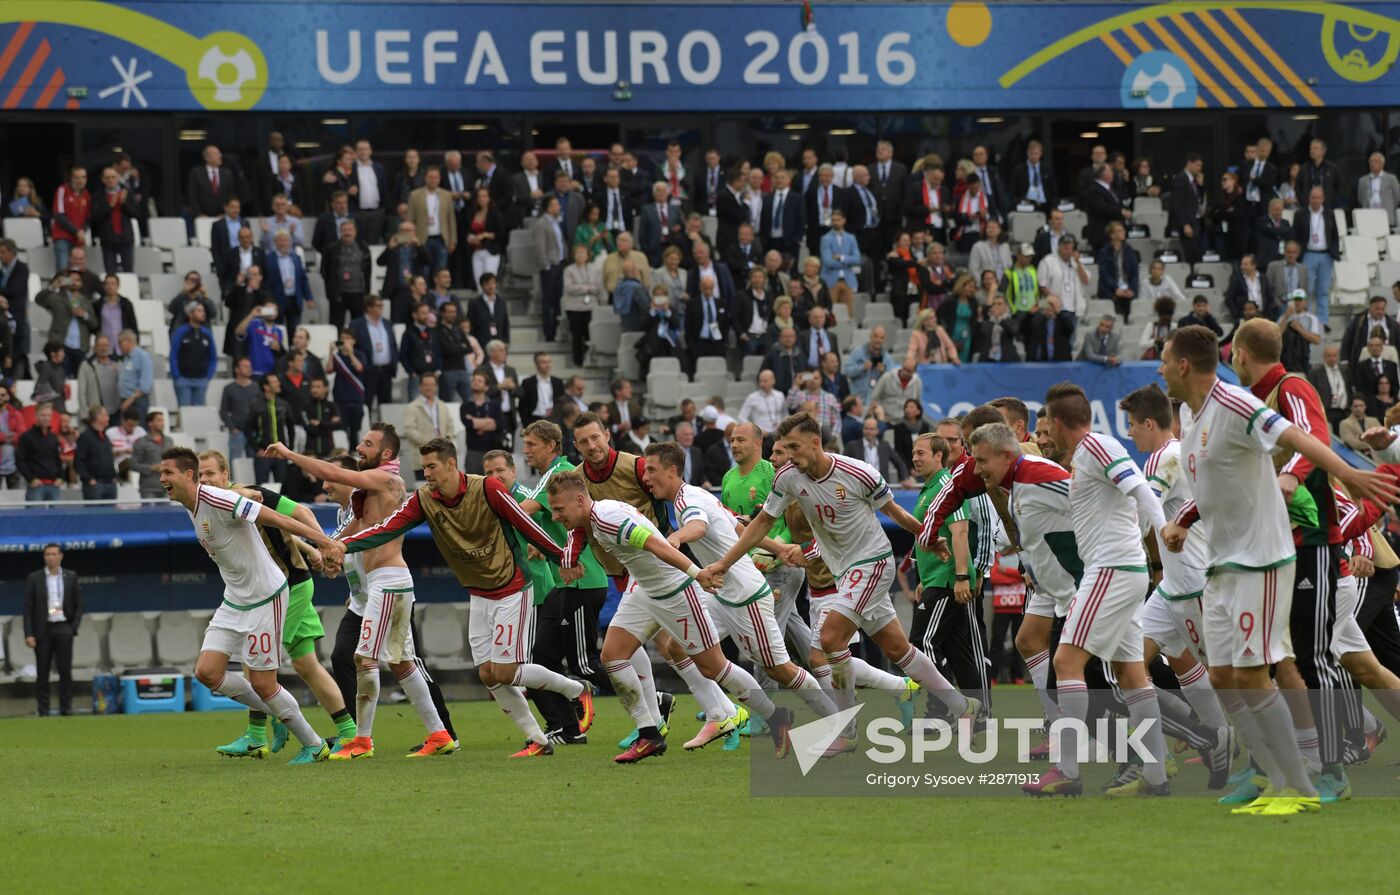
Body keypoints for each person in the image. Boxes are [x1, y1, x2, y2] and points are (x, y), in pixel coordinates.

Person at [1161, 327, 1398, 813]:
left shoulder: (1287, 388)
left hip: (1307, 541)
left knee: (1318, 660)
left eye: (1164, 359)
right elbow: (1221, 481)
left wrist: (1311, 474)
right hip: (1258, 548)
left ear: (1240, 354)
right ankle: (1278, 767)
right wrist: (1184, 518)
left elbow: (1312, 436)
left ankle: (1327, 767)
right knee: (1278, 664)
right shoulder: (1221, 406)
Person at [700, 412, 979, 757]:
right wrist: (724, 563)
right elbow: (760, 524)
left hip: (873, 562)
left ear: (815, 443)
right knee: (897, 650)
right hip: (843, 571)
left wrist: (927, 535)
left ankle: (846, 731)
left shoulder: (858, 472)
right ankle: (962, 705)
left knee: (831, 640)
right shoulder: (788, 477)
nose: (787, 455)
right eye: (783, 447)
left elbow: (894, 512)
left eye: (794, 447)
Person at [329, 435, 592, 758]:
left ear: (451, 464)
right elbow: (388, 527)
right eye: (423, 467)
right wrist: (346, 543)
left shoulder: (488, 489)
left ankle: (576, 689)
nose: (426, 473)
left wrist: (561, 558)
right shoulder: (425, 498)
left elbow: (524, 524)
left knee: (506, 671)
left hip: (512, 587)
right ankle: (537, 740)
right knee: (487, 674)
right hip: (478, 592)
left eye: (432, 466)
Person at [159, 447, 342, 768]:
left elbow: (275, 517)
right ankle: (281, 714)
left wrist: (323, 541)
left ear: (188, 475)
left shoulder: (217, 499)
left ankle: (313, 744)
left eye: (167, 473)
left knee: (264, 682)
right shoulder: (191, 506)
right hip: (235, 599)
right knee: (207, 672)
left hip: (266, 596)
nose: (161, 479)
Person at [648, 441, 836, 747]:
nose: (646, 478)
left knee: (780, 669)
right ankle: (722, 714)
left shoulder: (687, 502)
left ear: (672, 471)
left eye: (652, 470)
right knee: (677, 645)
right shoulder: (696, 494)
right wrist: (780, 548)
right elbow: (738, 528)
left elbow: (696, 526)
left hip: (746, 595)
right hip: (721, 593)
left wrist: (677, 538)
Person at [24, 544, 82, 716]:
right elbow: (28, 608)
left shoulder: (71, 576)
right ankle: (43, 710)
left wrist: (73, 628)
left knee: (65, 671)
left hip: (64, 627)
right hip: (43, 630)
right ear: (44, 557)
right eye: (48, 554)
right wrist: (29, 633)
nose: (51, 557)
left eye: (54, 554)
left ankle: (66, 709)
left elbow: (79, 604)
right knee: (42, 673)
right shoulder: (34, 578)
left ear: (61, 556)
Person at [1293, 186, 1340, 328]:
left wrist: (1335, 251)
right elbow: (1295, 235)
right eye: (1313, 197)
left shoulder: (1329, 214)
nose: (1315, 200)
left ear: (1323, 199)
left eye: (1318, 198)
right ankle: (1305, 318)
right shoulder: (1300, 214)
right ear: (1309, 198)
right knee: (1307, 289)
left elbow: (1335, 235)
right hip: (1308, 254)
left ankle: (1322, 321)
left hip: (1326, 256)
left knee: (1323, 290)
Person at [169, 302, 217, 407]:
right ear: (190, 314)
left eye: (203, 311)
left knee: (199, 414)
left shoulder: (207, 333)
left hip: (202, 379)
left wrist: (209, 375)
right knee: (184, 412)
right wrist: (177, 375)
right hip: (183, 379)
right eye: (199, 311)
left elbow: (213, 356)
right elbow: (173, 355)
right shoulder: (180, 332)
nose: (203, 314)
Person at [1095, 220, 1140, 322]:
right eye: (1119, 231)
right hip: (1110, 290)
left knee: (1133, 306)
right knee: (1116, 309)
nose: (1123, 232)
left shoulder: (1129, 250)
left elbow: (1135, 272)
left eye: (1122, 230)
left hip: (1127, 288)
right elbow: (1104, 274)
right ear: (1112, 235)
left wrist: (1132, 289)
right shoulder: (1104, 252)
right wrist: (1116, 288)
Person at [51, 165, 90, 272]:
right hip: (62, 237)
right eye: (77, 177)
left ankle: (75, 289)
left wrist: (83, 230)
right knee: (63, 269)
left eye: (83, 177)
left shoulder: (86, 194)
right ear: (71, 178)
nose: (81, 180)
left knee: (77, 270)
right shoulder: (62, 190)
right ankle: (62, 289)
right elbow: (58, 215)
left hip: (78, 239)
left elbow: (88, 217)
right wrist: (77, 231)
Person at [74, 405, 117, 500]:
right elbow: (78, 461)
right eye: (106, 415)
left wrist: (113, 476)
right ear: (98, 417)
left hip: (109, 482)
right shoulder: (85, 437)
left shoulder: (105, 437)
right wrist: (88, 479)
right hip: (95, 485)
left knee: (112, 513)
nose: (108, 418)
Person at [844, 325, 889, 403]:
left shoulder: (887, 357)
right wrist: (862, 368)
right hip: (858, 400)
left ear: (884, 340)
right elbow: (847, 370)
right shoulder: (858, 352)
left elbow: (892, 379)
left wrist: (883, 372)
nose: (878, 340)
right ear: (870, 337)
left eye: (881, 338)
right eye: (876, 336)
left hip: (876, 401)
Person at [129, 410, 167, 498]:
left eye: (163, 420)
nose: (162, 423)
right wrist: (152, 468)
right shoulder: (141, 442)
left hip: (167, 487)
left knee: (166, 512)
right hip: (149, 488)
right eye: (159, 420)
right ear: (150, 423)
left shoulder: (169, 441)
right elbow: (133, 465)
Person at [1357, 151, 1400, 218]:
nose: (1372, 164)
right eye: (1371, 161)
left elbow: (1397, 197)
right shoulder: (1362, 180)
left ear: (1382, 164)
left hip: (1386, 215)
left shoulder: (1391, 179)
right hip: (1368, 215)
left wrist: (1389, 207)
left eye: (1376, 161)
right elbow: (1360, 198)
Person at [1137, 296, 1177, 360]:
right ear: (1159, 316)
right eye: (1164, 320)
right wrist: (1155, 341)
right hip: (1154, 358)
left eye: (1168, 320)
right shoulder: (1151, 326)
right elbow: (1142, 344)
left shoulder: (1174, 326)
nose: (1166, 322)